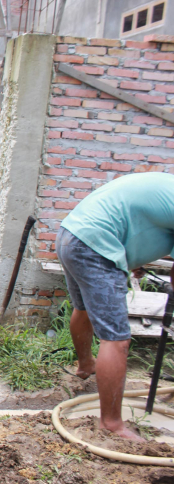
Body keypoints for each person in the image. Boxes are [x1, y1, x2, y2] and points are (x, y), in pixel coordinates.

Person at [57, 172, 174, 442]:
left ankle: (86, 365)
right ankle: (111, 423)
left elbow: (138, 219)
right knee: (117, 339)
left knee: (83, 309)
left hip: (71, 234)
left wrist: (135, 258)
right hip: (96, 245)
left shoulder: (167, 186)